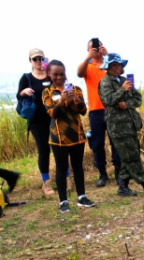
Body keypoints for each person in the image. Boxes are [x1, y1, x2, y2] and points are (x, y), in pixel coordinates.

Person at [98, 54, 144, 197]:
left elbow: (138, 99)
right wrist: (122, 90)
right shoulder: (105, 82)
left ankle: (123, 187)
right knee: (131, 156)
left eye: (119, 65)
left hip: (130, 124)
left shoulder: (124, 80)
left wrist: (126, 104)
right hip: (117, 127)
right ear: (108, 67)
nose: (117, 68)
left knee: (129, 154)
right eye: (114, 65)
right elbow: (108, 100)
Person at [41, 60, 95, 213]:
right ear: (49, 74)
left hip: (77, 135)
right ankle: (63, 201)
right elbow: (52, 113)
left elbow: (83, 111)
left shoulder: (76, 89)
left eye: (62, 74)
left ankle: (82, 197)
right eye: (55, 74)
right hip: (58, 137)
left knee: (78, 166)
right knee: (61, 167)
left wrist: (77, 102)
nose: (59, 77)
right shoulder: (47, 92)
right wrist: (63, 101)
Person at [77, 37, 121, 187]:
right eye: (92, 47)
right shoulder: (87, 66)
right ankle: (102, 173)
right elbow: (79, 73)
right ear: (88, 50)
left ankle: (118, 173)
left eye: (99, 45)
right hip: (96, 110)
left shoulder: (108, 64)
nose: (96, 48)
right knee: (97, 143)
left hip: (112, 108)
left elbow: (119, 72)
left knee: (116, 140)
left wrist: (108, 55)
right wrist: (88, 57)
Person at [16, 49, 55, 197]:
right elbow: (19, 96)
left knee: (59, 148)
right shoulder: (26, 78)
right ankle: (46, 183)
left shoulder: (51, 75)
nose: (38, 61)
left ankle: (65, 177)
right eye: (35, 59)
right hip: (37, 121)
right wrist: (23, 92)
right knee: (44, 151)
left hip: (54, 117)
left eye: (41, 58)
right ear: (30, 61)